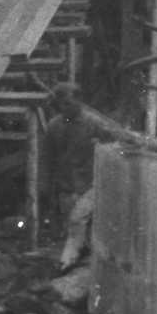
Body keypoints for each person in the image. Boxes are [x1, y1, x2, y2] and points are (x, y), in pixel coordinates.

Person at [44, 84, 116, 271]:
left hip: (90, 185)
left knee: (78, 220)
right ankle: (77, 268)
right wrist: (48, 186)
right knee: (74, 230)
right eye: (61, 105)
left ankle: (66, 265)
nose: (64, 108)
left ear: (79, 101)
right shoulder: (54, 126)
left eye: (68, 103)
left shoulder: (94, 123)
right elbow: (49, 158)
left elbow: (115, 143)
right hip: (66, 186)